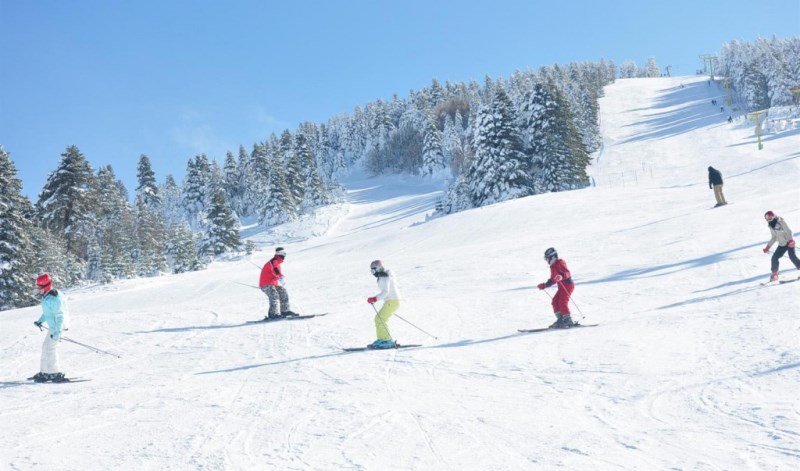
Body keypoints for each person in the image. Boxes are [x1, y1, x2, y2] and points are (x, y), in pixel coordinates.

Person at [31, 274, 70, 383]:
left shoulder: (54, 298)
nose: (38, 290)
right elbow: (48, 312)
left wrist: (58, 332)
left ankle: (54, 373)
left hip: (59, 327)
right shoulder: (48, 296)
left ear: (46, 286)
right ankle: (45, 372)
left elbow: (60, 316)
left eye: (39, 288)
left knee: (50, 349)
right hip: (54, 327)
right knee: (45, 347)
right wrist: (40, 321)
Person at [366, 260, 401, 348]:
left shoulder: (384, 277)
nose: (372, 273)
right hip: (391, 301)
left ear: (378, 269)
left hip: (392, 301)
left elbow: (385, 292)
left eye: (373, 271)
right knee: (379, 319)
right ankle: (382, 339)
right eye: (371, 271)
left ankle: (386, 340)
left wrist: (374, 298)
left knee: (380, 319)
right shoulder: (384, 276)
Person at [537, 248, 576, 328]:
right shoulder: (553, 267)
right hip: (561, 287)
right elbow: (553, 280)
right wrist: (544, 285)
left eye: (547, 258)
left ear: (552, 257)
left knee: (562, 302)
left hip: (568, 286)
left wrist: (561, 276)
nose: (546, 261)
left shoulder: (560, 263)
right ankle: (561, 319)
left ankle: (568, 320)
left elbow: (567, 273)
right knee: (554, 301)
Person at [258, 247, 298, 319]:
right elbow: (275, 270)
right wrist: (280, 277)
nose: (284, 256)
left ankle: (285, 311)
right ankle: (273, 314)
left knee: (283, 291)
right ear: (280, 253)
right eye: (284, 254)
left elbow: (274, 272)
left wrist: (278, 277)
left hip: (272, 283)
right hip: (265, 284)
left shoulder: (276, 262)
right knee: (274, 295)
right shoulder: (274, 261)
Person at [762, 211, 800, 282]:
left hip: (789, 242)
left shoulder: (780, 221)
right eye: (767, 218)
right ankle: (775, 274)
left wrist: (791, 240)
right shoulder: (770, 225)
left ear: (773, 216)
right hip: (782, 244)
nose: (769, 219)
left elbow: (789, 231)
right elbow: (774, 237)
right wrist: (768, 247)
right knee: (774, 258)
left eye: (770, 217)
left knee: (792, 256)